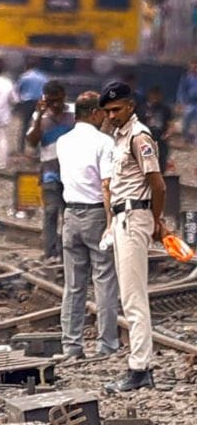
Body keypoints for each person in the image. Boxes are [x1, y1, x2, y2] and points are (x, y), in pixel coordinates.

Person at [99, 81, 167, 393]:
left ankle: (140, 369)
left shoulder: (139, 138)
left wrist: (157, 220)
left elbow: (159, 184)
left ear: (131, 106)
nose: (111, 115)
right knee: (130, 296)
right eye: (108, 111)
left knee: (134, 298)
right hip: (124, 218)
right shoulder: (119, 137)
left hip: (134, 218)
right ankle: (140, 366)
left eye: (116, 109)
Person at [54, 92, 120, 361]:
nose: (106, 117)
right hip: (95, 214)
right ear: (94, 113)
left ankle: (71, 345)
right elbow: (107, 185)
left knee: (73, 284)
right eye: (103, 112)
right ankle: (106, 344)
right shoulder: (104, 142)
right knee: (104, 280)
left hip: (70, 214)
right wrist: (110, 222)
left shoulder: (62, 141)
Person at [26, 81, 75, 262]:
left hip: (73, 172)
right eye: (51, 101)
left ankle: (67, 250)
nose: (55, 105)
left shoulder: (75, 113)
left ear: (64, 96)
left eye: (58, 100)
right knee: (51, 211)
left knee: (69, 213)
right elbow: (32, 141)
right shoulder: (39, 116)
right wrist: (39, 115)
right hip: (50, 171)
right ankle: (50, 251)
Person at [14, 59, 49, 155]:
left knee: (25, 125)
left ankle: (21, 148)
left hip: (27, 102)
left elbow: (17, 90)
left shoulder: (24, 77)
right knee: (38, 126)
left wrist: (18, 101)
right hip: (39, 102)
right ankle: (38, 149)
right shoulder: (43, 77)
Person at [139, 86, 173, 173]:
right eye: (154, 95)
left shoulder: (165, 109)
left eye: (158, 95)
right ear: (149, 95)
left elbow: (170, 123)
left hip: (161, 137)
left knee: (161, 160)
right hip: (146, 138)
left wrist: (168, 133)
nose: (156, 98)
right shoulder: (142, 108)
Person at [178, 60, 197, 144]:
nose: (195, 69)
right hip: (189, 103)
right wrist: (181, 102)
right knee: (186, 122)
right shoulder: (186, 78)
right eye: (194, 67)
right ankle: (186, 137)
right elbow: (181, 91)